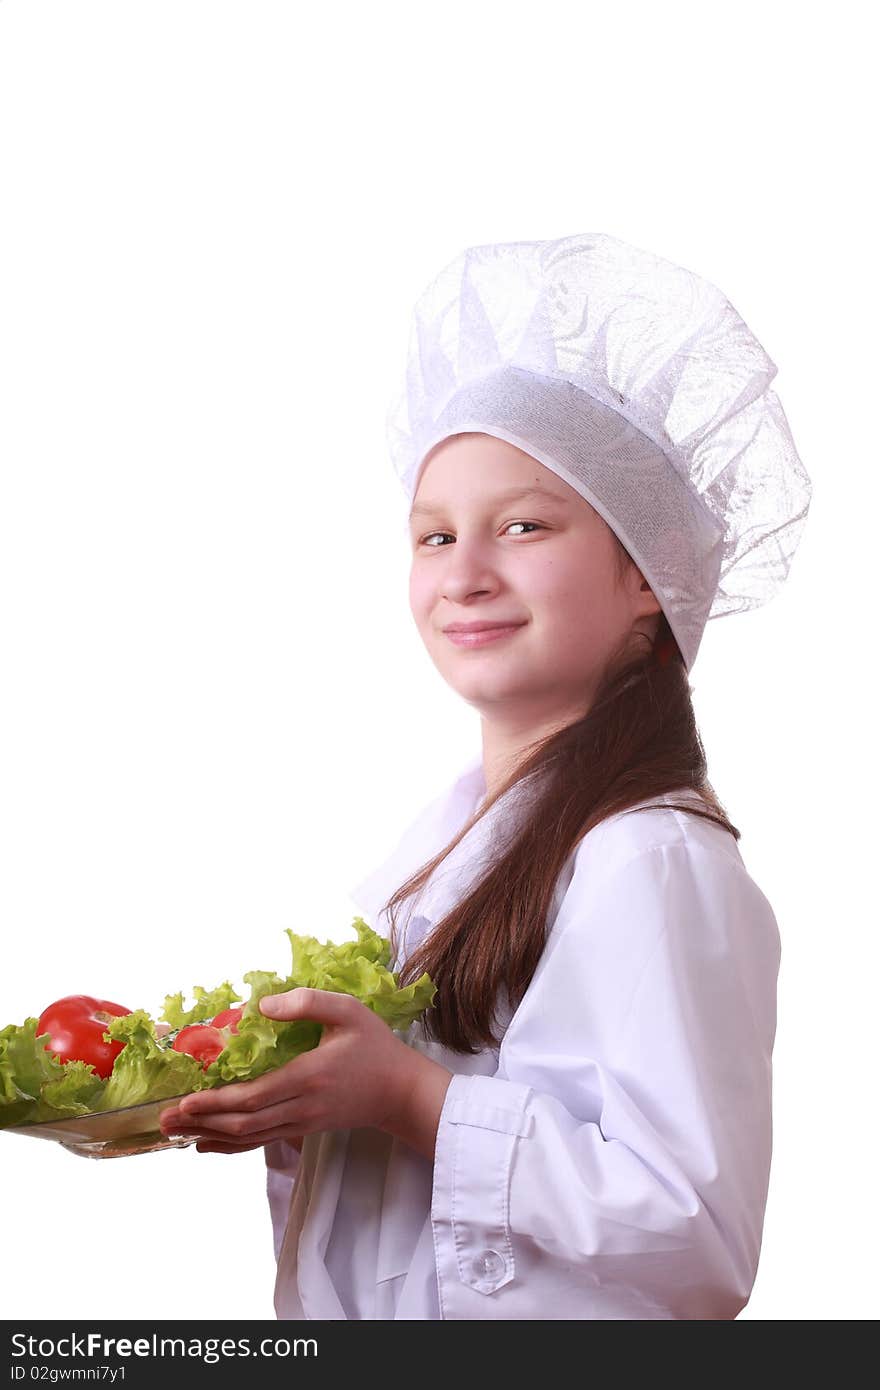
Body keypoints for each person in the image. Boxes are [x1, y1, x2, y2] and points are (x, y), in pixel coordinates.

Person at [159, 231, 812, 1319]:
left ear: (646, 577)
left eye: (522, 525)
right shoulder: (445, 853)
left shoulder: (648, 858)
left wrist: (414, 1100)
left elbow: (695, 1232)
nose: (463, 573)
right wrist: (306, 1101)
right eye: (431, 535)